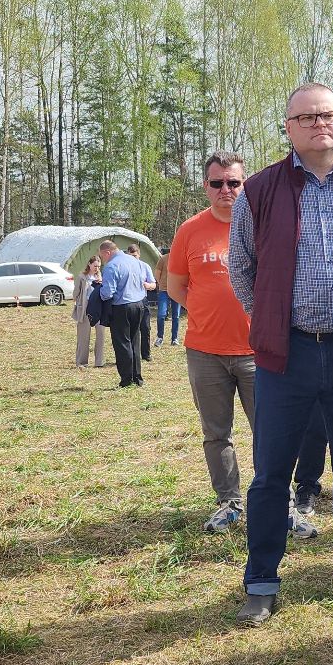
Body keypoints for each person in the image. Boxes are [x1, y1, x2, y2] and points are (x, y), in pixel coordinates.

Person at [227, 81, 333, 625]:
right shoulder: (258, 191)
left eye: (329, 115)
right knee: (271, 473)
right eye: (307, 117)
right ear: (289, 129)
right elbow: (242, 269)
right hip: (285, 357)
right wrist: (272, 319)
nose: (320, 124)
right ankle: (262, 581)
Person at [169, 151, 259, 534]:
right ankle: (229, 501)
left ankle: (279, 501)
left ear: (245, 184)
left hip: (259, 352)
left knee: (270, 432)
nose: (226, 190)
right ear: (206, 186)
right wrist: (206, 312)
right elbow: (175, 287)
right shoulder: (190, 229)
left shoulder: (261, 225)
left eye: (234, 183)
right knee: (216, 432)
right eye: (217, 183)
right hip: (205, 352)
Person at [99, 240, 154, 386]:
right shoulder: (135, 261)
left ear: (107, 252)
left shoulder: (111, 266)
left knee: (122, 343)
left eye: (102, 256)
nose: (103, 259)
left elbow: (107, 293)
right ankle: (137, 377)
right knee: (135, 340)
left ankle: (126, 379)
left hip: (121, 307)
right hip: (139, 303)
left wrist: (99, 291)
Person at [73, 256, 107, 369]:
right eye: (95, 266)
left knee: (101, 334)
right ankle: (82, 362)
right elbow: (75, 293)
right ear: (89, 264)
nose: (96, 268)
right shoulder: (82, 277)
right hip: (85, 307)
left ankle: (99, 361)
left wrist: (102, 282)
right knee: (83, 336)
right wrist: (79, 303)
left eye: (98, 266)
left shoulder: (102, 276)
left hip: (99, 307)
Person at [155, 258, 184, 347]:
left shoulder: (181, 260)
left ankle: (174, 338)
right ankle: (160, 337)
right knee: (161, 314)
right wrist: (161, 284)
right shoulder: (163, 259)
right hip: (164, 290)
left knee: (176, 315)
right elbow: (157, 273)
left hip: (176, 290)